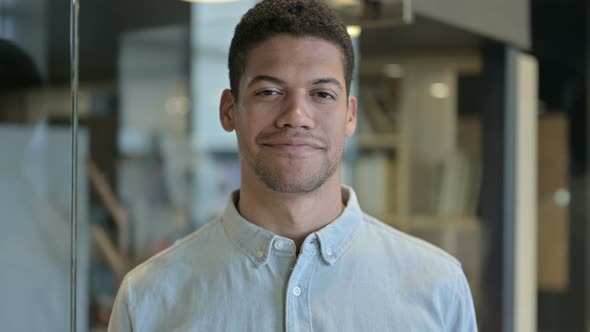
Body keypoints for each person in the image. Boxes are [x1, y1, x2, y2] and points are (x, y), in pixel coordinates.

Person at [108, 0, 477, 331]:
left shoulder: (437, 288)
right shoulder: (149, 300)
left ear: (350, 115)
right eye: (269, 92)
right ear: (229, 110)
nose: (296, 116)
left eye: (322, 94)